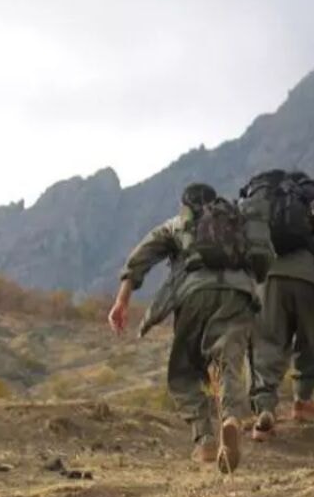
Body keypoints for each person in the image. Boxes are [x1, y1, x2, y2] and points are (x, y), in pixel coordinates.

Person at [107, 183, 269, 474]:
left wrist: (122, 301)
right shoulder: (237, 221)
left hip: (195, 294)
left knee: (183, 373)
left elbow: (141, 258)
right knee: (229, 362)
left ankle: (205, 438)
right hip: (238, 294)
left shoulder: (177, 224)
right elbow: (263, 259)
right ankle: (231, 417)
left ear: (185, 204)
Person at [241, 169, 314, 440]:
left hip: (268, 280)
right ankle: (304, 401)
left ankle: (265, 409)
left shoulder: (263, 206)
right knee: (312, 340)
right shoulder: (313, 202)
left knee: (267, 342)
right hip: (309, 279)